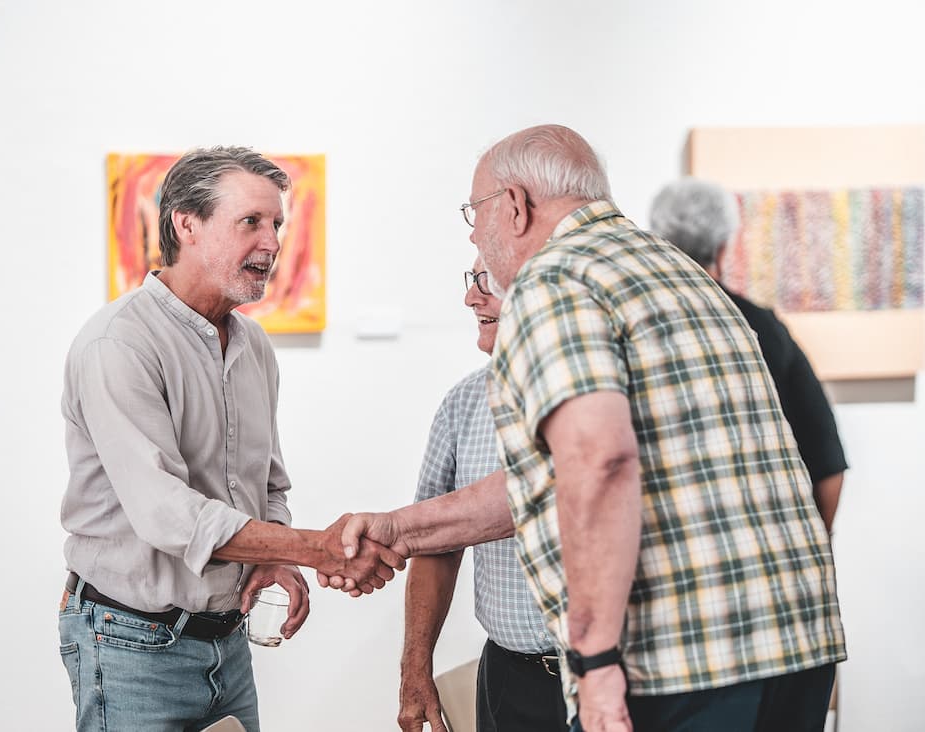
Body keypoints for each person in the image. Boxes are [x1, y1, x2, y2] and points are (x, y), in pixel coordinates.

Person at [325, 125, 846, 732]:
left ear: (514, 207)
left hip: (684, 663)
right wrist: (398, 529)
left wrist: (595, 660)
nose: (475, 235)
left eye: (474, 213)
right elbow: (552, 476)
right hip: (795, 644)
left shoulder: (553, 279)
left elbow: (599, 464)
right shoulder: (679, 273)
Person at [59, 146, 403, 732]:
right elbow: (167, 514)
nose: (271, 243)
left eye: (277, 225)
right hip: (130, 644)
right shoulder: (118, 345)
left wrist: (275, 556)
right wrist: (311, 547)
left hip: (229, 645)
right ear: (186, 224)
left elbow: (267, 482)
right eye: (251, 222)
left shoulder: (254, 347)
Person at [400, 259, 567, 732]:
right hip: (508, 679)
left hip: (612, 677)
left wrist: (386, 528)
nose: (472, 298)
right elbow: (436, 546)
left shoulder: (601, 397)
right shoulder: (462, 404)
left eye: (488, 281)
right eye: (472, 281)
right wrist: (415, 670)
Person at [648, 177, 847, 532]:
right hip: (768, 547)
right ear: (724, 247)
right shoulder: (761, 326)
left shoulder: (640, 324)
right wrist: (817, 544)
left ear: (656, 241)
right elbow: (826, 461)